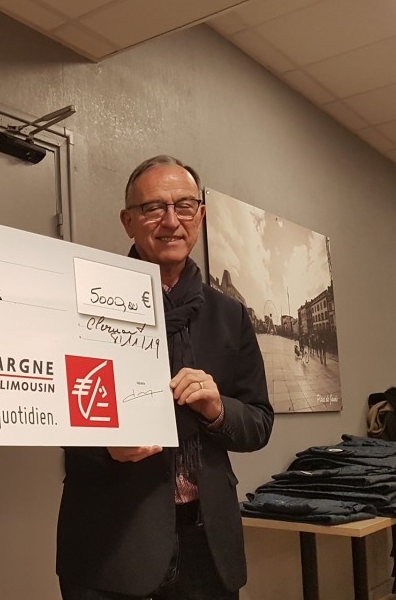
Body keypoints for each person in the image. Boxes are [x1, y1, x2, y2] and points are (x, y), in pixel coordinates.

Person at [56, 155, 274, 600]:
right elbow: (52, 412)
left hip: (208, 546)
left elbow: (259, 422)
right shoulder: (82, 303)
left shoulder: (230, 315)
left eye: (184, 206)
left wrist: (218, 411)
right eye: (154, 207)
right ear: (128, 222)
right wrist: (106, 448)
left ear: (200, 216)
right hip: (110, 544)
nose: (171, 221)